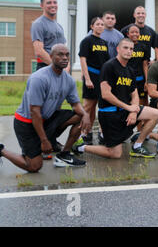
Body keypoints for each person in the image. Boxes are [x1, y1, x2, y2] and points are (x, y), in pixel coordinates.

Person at [0, 44, 91, 172]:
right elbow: (35, 112)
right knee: (34, 166)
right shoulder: (39, 78)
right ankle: (2, 150)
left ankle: (64, 155)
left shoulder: (68, 80)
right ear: (51, 56)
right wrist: (44, 141)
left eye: (67, 55)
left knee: (80, 115)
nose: (65, 58)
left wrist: (86, 115)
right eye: (60, 54)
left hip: (47, 119)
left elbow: (75, 104)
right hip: (27, 123)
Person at [72, 38, 158, 159]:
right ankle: (80, 147)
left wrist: (133, 111)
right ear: (118, 49)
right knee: (115, 154)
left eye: (131, 49)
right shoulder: (109, 66)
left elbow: (134, 94)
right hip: (110, 115)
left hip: (125, 111)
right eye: (125, 48)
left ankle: (137, 146)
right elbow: (106, 94)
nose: (129, 51)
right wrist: (128, 108)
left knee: (156, 114)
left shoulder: (130, 70)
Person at [78, 17, 109, 145]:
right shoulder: (87, 41)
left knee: (101, 106)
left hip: (101, 78)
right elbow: (83, 60)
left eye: (102, 24)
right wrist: (87, 78)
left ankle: (99, 133)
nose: (100, 26)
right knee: (88, 107)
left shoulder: (104, 42)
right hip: (91, 76)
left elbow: (106, 62)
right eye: (98, 24)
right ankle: (83, 134)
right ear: (92, 26)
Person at [125, 25, 150, 143]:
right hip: (128, 80)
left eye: (137, 32)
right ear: (127, 34)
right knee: (128, 104)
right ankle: (126, 130)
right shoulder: (125, 46)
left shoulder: (143, 47)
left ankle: (141, 132)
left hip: (140, 80)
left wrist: (147, 81)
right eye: (132, 32)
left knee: (142, 104)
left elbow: (145, 65)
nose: (135, 34)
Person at [31, 0, 68, 71]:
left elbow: (64, 49)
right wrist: (55, 66)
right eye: (49, 3)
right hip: (45, 67)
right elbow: (39, 52)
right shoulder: (38, 24)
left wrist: (67, 67)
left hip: (60, 68)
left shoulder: (59, 26)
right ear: (42, 6)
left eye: (55, 2)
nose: (53, 5)